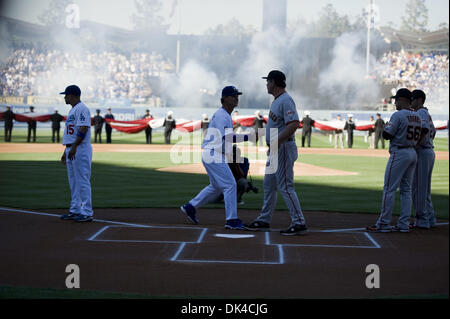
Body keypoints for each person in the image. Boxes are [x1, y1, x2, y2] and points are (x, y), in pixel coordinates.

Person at [244, 70, 308, 235]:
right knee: (269, 185)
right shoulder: (277, 101)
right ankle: (264, 219)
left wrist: (277, 142)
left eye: (268, 81)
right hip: (276, 148)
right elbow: (277, 126)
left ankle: (299, 222)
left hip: (283, 148)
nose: (266, 84)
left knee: (285, 186)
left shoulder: (286, 100)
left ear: (274, 82)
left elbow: (294, 124)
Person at [180, 85, 249, 230]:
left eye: (237, 95)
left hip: (214, 154)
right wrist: (250, 136)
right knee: (230, 185)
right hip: (213, 154)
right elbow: (228, 137)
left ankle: (191, 206)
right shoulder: (221, 115)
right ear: (224, 99)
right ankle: (231, 220)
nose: (237, 98)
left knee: (216, 187)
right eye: (233, 95)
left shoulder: (225, 115)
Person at [367, 88, 420, 233]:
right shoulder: (417, 116)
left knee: (389, 189)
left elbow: (387, 135)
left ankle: (383, 223)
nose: (394, 102)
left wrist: (385, 127)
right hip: (412, 152)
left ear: (403, 100)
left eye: (396, 99)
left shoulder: (398, 115)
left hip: (399, 152)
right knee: (406, 190)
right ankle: (403, 224)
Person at [59, 85, 94, 222]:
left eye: (66, 94)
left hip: (80, 148)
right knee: (73, 181)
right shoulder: (73, 110)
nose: (64, 97)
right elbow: (71, 133)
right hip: (72, 148)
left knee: (82, 181)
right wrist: (66, 150)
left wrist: (73, 147)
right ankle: (75, 209)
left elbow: (84, 128)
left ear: (72, 95)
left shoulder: (82, 109)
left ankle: (86, 211)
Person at [410, 89, 436, 229]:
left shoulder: (421, 112)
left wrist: (417, 144)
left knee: (418, 188)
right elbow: (433, 131)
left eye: (413, 99)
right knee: (424, 189)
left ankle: (422, 220)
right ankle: (430, 218)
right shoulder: (425, 112)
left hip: (423, 151)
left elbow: (425, 129)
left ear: (420, 100)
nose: (411, 101)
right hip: (428, 151)